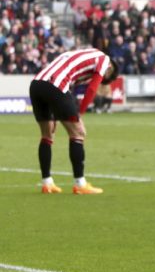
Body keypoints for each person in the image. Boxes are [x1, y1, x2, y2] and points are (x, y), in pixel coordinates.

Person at [29, 48, 119, 195]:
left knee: (47, 135)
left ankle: (47, 183)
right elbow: (92, 89)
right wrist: (80, 113)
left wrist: (59, 111)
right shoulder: (104, 61)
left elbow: (71, 83)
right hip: (56, 85)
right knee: (78, 133)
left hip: (37, 84)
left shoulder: (83, 54)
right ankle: (80, 183)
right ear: (110, 70)